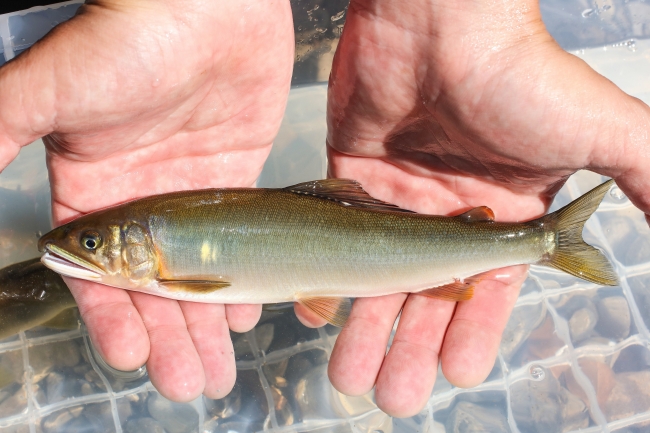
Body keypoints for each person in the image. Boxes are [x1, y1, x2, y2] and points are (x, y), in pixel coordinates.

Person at [0, 0, 647, 418]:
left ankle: (543, 238)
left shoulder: (167, 258)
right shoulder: (159, 242)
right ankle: (543, 239)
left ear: (136, 240)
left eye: (92, 245)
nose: (79, 250)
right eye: (92, 244)